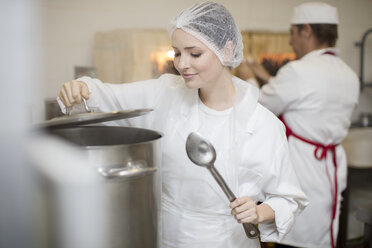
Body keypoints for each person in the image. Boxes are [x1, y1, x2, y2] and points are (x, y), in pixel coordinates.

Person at [57, 2, 308, 247]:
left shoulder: (264, 125)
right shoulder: (166, 93)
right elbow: (107, 96)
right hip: (166, 234)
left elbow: (289, 199)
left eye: (194, 53)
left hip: (228, 240)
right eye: (177, 52)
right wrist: (81, 88)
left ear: (227, 50)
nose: (182, 64)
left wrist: (259, 212)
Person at [237, 2, 359, 248]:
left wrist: (247, 73)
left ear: (306, 31)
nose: (291, 42)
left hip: (303, 169)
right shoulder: (348, 73)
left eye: (292, 33)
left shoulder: (299, 71)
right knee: (323, 233)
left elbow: (260, 105)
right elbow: (305, 98)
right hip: (331, 169)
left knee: (298, 235)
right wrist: (266, 75)